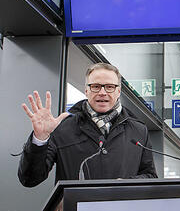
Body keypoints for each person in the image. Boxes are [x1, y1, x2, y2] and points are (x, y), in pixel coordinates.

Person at [18, 63, 157, 187]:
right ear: (86, 90)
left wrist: (126, 185)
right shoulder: (63, 127)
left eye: (109, 87)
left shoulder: (139, 130)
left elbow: (150, 176)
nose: (102, 92)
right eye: (96, 87)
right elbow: (30, 179)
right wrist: (40, 139)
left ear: (118, 91)